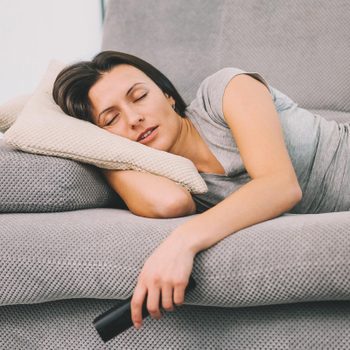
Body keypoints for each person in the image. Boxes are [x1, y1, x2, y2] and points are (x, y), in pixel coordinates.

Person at [52, 50, 346, 330]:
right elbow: (170, 204)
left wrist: (180, 243)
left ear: (167, 96)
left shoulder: (225, 90)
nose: (133, 118)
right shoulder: (171, 178)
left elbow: (280, 186)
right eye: (111, 119)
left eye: (139, 96)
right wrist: (101, 153)